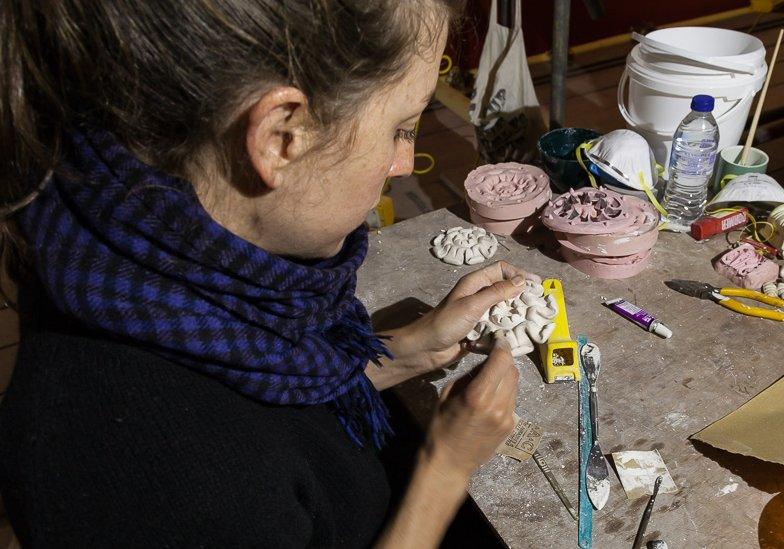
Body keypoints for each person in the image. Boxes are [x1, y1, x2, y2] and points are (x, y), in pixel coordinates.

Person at [0, 1, 530, 546]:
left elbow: (273, 404)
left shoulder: (122, 238)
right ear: (279, 138)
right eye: (401, 128)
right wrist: (446, 466)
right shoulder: (152, 476)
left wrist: (404, 352)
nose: (402, 163)